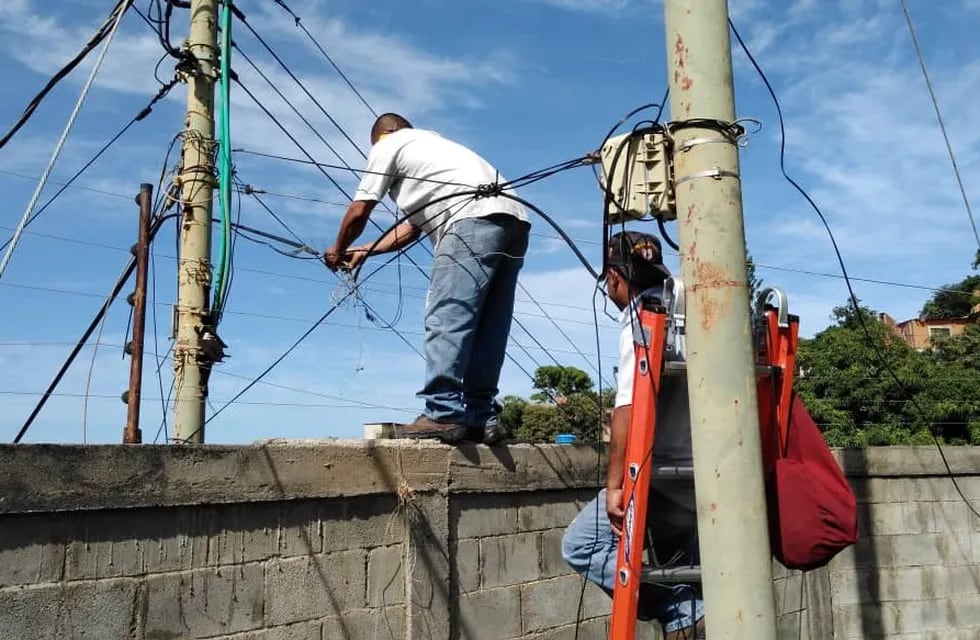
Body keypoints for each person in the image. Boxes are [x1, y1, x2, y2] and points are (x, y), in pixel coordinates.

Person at [323, 113, 531, 444]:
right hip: (515, 219)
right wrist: (364, 250)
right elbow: (411, 229)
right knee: (490, 324)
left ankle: (443, 413)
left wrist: (338, 248)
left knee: (448, 314)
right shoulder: (436, 149)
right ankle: (480, 417)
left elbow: (360, 209)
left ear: (382, 135)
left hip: (470, 220)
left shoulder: (389, 143)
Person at [561, 231, 705, 639]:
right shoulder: (690, 312)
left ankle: (681, 606)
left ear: (613, 277)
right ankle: (685, 609)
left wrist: (613, 486)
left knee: (582, 546)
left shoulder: (642, 316)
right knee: (677, 562)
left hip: (657, 476)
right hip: (697, 473)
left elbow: (628, 406)